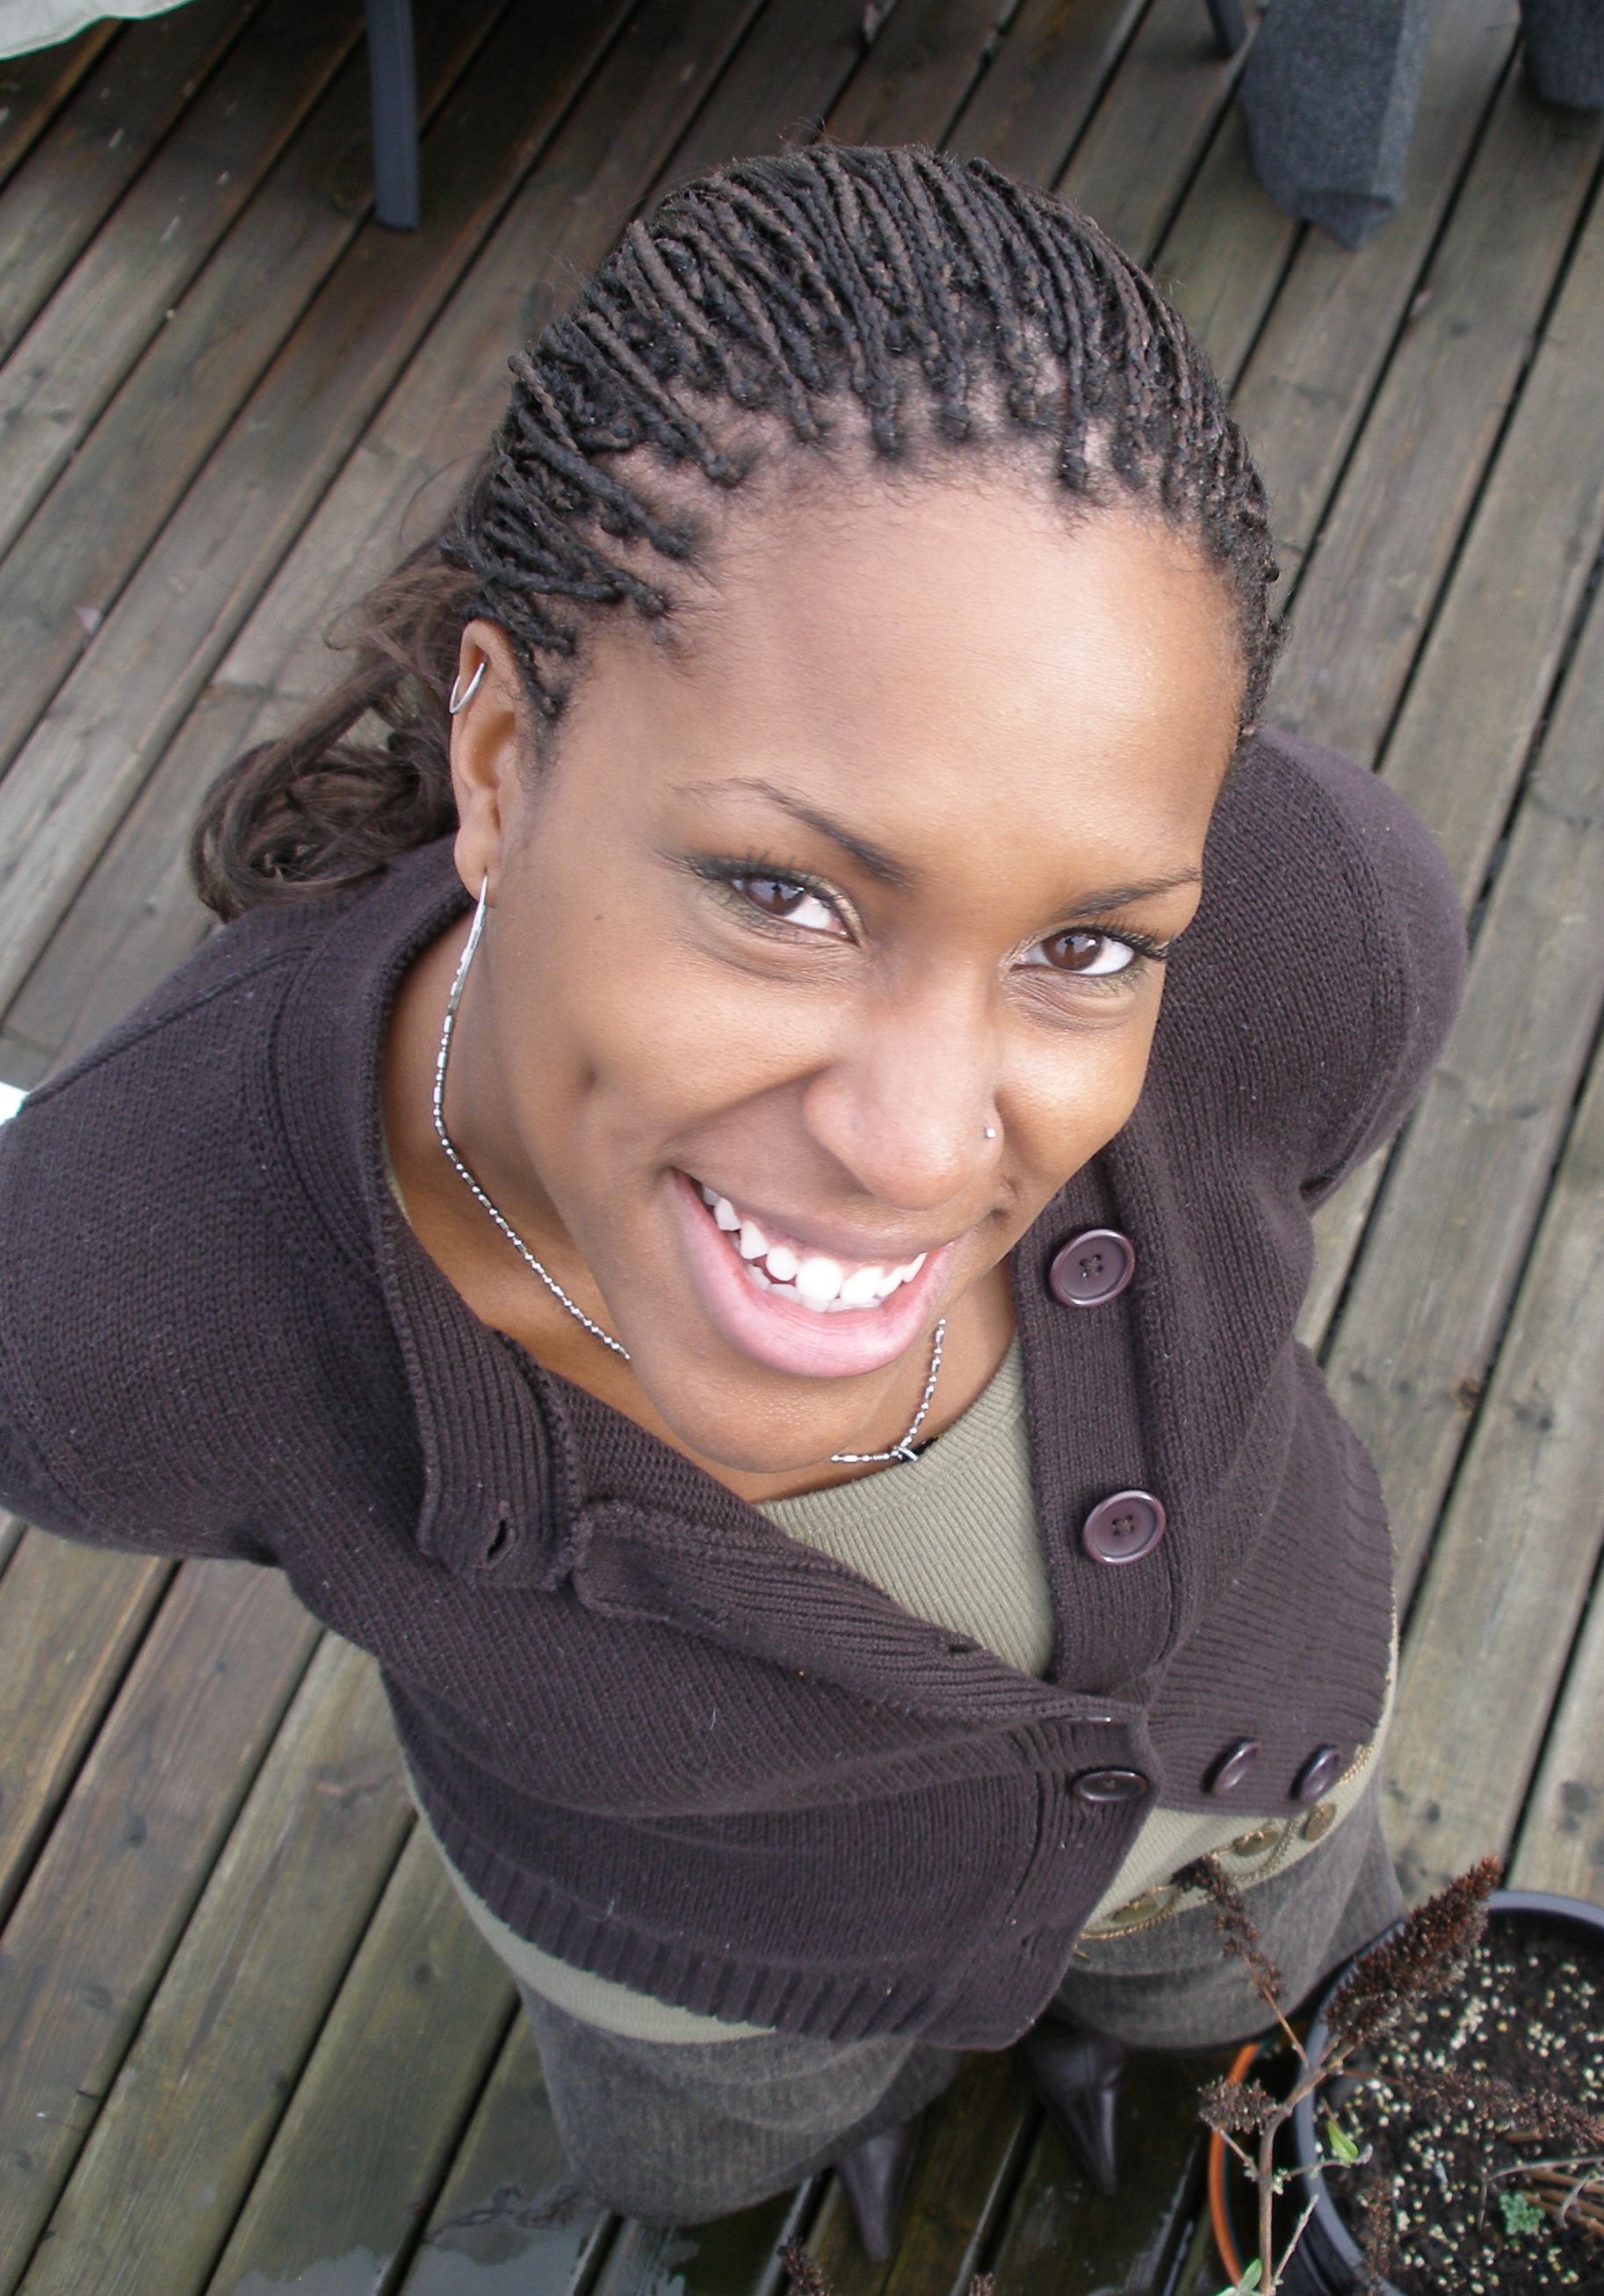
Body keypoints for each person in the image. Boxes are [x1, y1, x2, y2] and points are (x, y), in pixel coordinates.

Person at [0, 146, 1463, 2256]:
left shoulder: (1323, 937)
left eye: (1085, 946)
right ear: (496, 762)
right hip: (703, 1981)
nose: (916, 1144)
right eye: (781, 894)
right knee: (722, 2166)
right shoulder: (117, 1297)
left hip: (1256, 1804)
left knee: (1236, 2034)